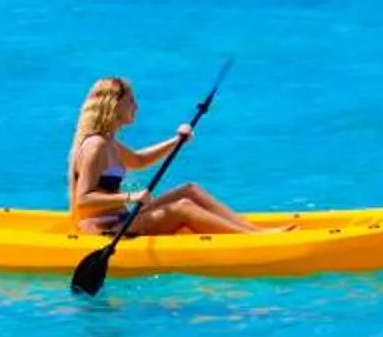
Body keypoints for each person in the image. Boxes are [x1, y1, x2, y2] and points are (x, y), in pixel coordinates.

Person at [68, 75, 260, 236]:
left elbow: (138, 160)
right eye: (131, 101)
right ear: (114, 105)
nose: (136, 107)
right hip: (106, 230)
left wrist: (177, 140)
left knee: (190, 190)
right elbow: (83, 199)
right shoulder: (96, 145)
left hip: (123, 219)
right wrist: (130, 196)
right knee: (183, 207)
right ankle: (253, 240)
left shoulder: (109, 142)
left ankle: (254, 232)